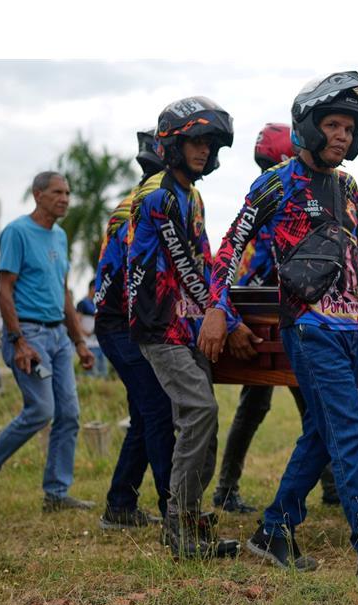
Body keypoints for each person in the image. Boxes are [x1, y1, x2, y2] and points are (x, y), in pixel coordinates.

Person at [201, 71, 358, 585]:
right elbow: (227, 249)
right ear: (308, 126)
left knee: (321, 433)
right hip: (309, 328)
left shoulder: (348, 186)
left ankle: (272, 531)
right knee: (351, 432)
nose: (342, 137)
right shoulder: (277, 182)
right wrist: (219, 307)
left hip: (353, 328)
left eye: (350, 130)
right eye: (333, 125)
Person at [126, 97, 240, 559]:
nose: (203, 150)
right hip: (159, 324)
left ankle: (190, 519)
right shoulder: (157, 194)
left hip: (186, 323)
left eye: (210, 143)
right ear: (173, 142)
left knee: (203, 421)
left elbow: (206, 263)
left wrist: (224, 313)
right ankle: (178, 527)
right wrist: (223, 317)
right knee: (200, 411)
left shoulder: (191, 195)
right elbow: (186, 269)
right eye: (195, 140)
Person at [211, 122, 339, 515]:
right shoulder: (280, 193)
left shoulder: (275, 191)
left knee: (291, 404)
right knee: (288, 404)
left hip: (270, 310)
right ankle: (228, 488)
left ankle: (331, 485)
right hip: (267, 314)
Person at [0, 173, 96, 514]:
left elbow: (64, 292)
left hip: (57, 336)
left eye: (68, 192)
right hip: (29, 335)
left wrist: (79, 342)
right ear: (38, 195)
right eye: (57, 192)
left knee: (69, 414)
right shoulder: (17, 232)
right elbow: (3, 289)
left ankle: (56, 493)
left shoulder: (61, 236)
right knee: (42, 409)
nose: (65, 198)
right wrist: (18, 341)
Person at [90, 128, 176, 530]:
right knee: (158, 409)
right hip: (121, 324)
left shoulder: (138, 200)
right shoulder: (144, 205)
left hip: (124, 322)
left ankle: (120, 503)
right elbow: (142, 273)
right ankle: (174, 507)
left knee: (146, 414)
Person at [75, 282, 108, 377]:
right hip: (88, 344)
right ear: (92, 288)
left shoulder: (96, 304)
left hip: (98, 343)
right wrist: (84, 333)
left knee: (103, 373)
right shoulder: (82, 303)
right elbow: (77, 321)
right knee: (91, 374)